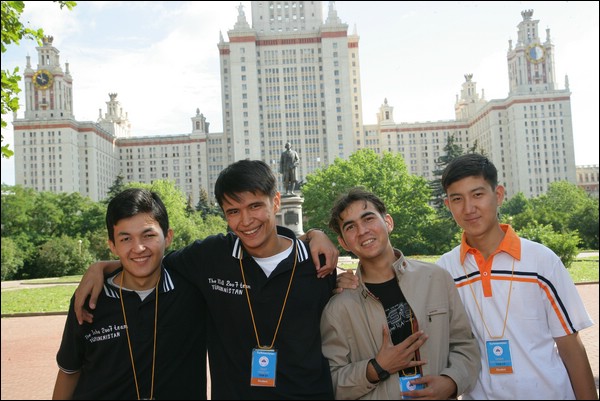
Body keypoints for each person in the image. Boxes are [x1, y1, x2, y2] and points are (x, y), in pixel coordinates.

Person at [73, 160, 338, 400]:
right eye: (233, 211)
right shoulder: (210, 256)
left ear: (276, 202)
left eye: (255, 206)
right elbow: (149, 258)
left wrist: (316, 234)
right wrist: (102, 267)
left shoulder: (319, 264)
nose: (246, 221)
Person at [437, 153, 597, 400]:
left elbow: (571, 348)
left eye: (478, 195)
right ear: (448, 205)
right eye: (457, 199)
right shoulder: (445, 271)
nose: (468, 208)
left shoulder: (541, 261)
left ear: (498, 195)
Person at [321, 187, 480, 399]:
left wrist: (451, 382)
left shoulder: (437, 279)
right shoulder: (338, 307)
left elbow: (465, 346)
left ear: (388, 222)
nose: (362, 231)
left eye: (368, 219)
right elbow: (330, 381)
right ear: (343, 243)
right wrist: (375, 369)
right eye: (350, 227)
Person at [52, 188, 207, 399]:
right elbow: (69, 372)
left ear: (168, 237)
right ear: (112, 246)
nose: (139, 248)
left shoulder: (194, 292)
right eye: (125, 239)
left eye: (148, 235)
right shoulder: (90, 298)